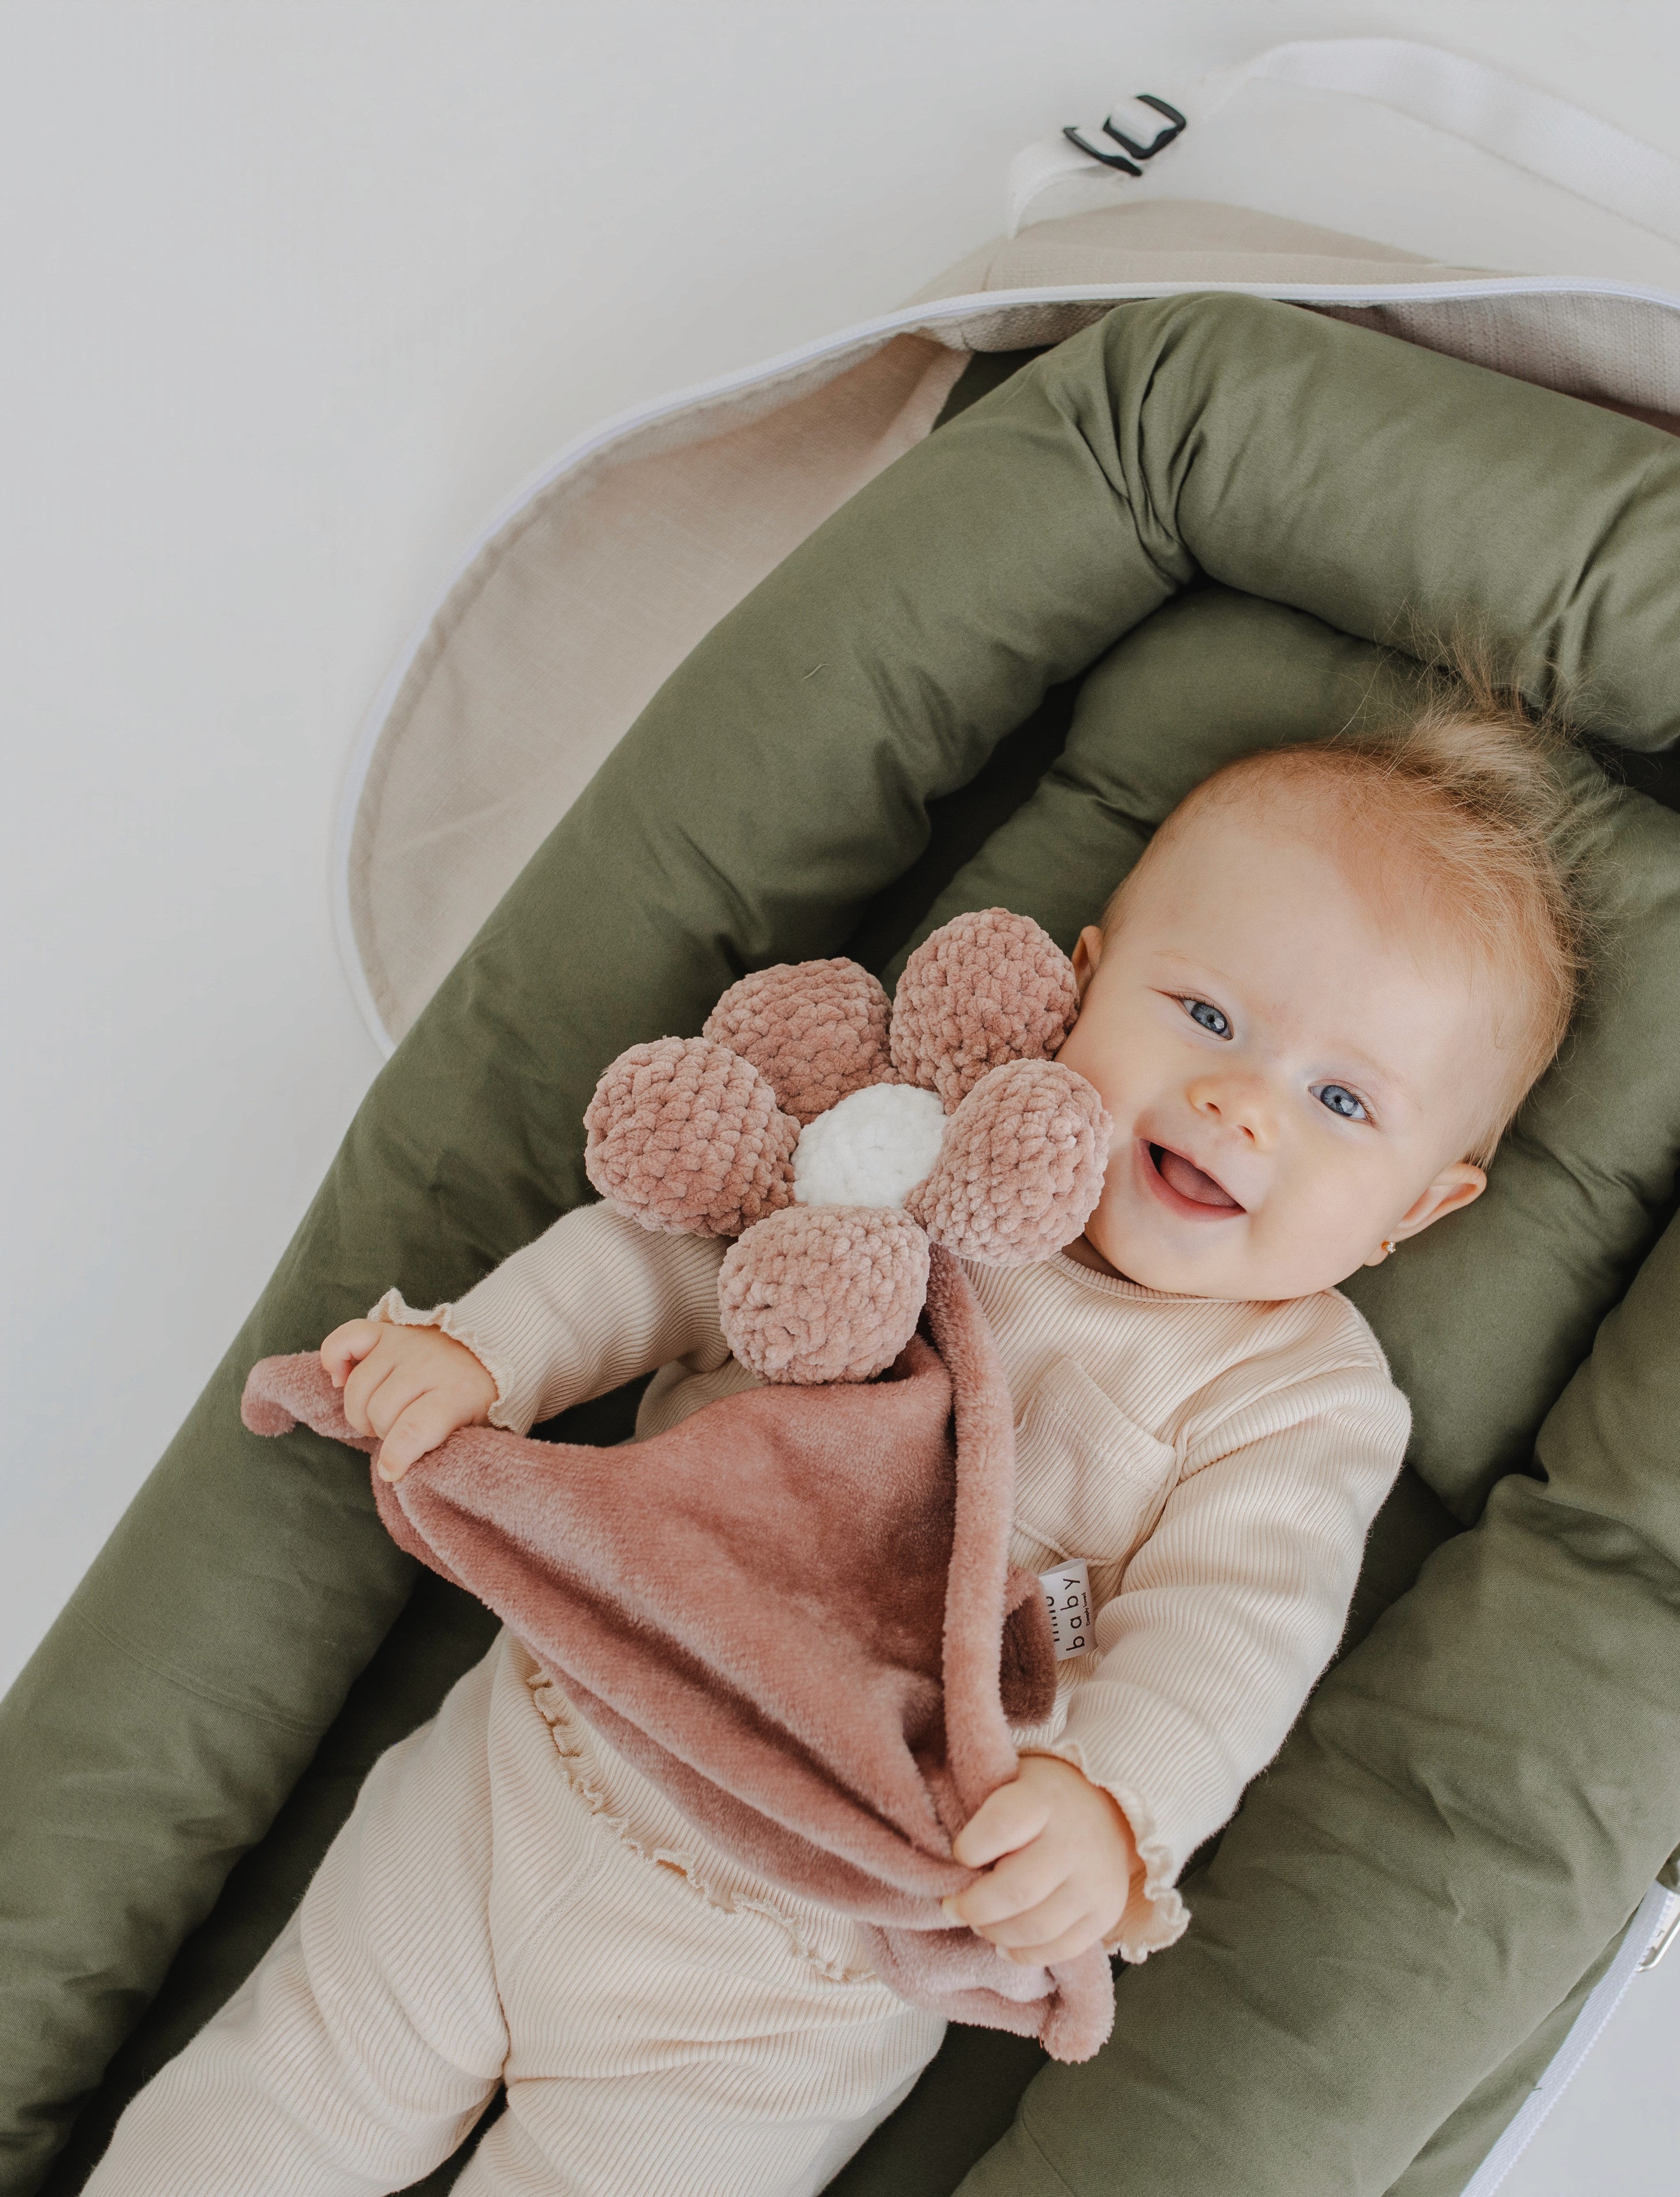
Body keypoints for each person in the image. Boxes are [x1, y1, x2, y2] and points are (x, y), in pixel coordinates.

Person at [90, 678, 1595, 2197]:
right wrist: (487, 1351)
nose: (1242, 1104)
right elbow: (675, 1255)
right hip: (548, 1748)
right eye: (1206, 1016)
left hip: (799, 1977)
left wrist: (1116, 1804)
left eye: (1342, 1101)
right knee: (273, 2108)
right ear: (1079, 986)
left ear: (1421, 1208)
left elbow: (1239, 1625)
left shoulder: (1297, 1398)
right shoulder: (922, 1140)